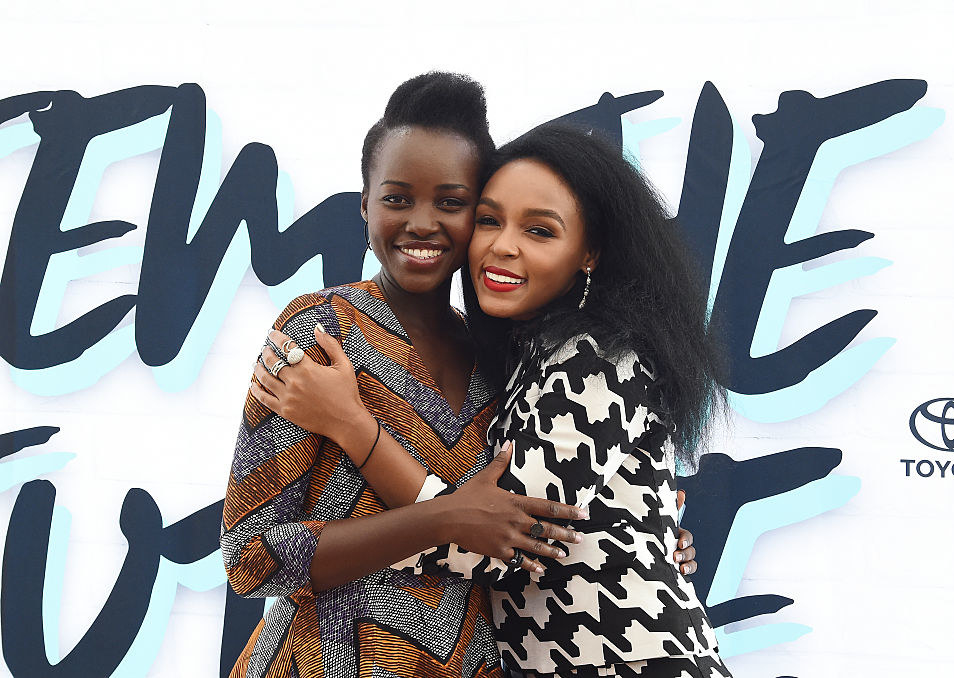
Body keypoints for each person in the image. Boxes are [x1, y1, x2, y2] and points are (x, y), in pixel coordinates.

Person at [223, 73, 697, 678]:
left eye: (451, 202)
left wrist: (644, 530)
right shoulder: (320, 334)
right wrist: (442, 518)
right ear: (364, 203)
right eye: (397, 198)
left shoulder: (500, 358)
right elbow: (249, 558)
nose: (423, 222)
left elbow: (533, 525)